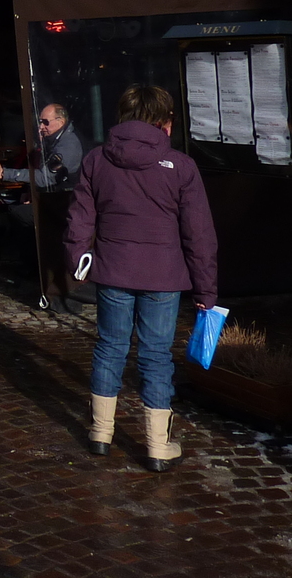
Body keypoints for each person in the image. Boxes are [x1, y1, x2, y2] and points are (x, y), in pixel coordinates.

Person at [64, 84, 217, 472]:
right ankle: (157, 445)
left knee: (110, 347)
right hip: (164, 276)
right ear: (165, 124)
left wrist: (78, 260)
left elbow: (80, 217)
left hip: (113, 267)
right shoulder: (181, 166)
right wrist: (206, 289)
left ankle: (101, 432)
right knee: (155, 356)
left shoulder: (97, 160)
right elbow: (199, 234)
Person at [0, 102, 89, 312]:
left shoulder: (67, 144)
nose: (41, 126)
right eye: (39, 122)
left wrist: (5, 173)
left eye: (45, 122)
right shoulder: (52, 141)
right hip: (55, 201)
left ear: (61, 122)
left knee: (21, 214)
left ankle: (34, 270)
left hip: (65, 206)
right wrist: (31, 191)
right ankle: (32, 269)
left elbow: (45, 178)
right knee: (16, 210)